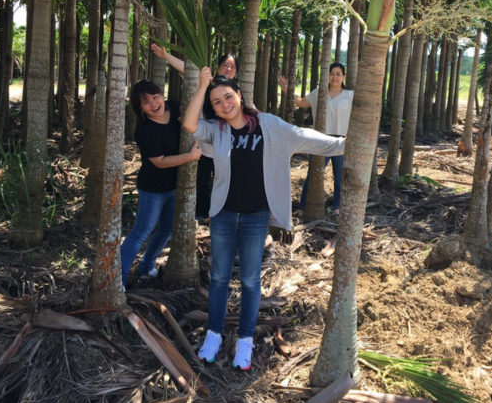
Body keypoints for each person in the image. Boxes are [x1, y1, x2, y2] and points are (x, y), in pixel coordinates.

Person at [184, 68, 344, 370]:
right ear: (214, 108)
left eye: (228, 97)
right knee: (219, 278)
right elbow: (190, 125)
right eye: (217, 102)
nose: (224, 104)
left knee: (249, 280)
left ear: (239, 95)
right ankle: (214, 334)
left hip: (256, 216)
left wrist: (342, 144)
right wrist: (203, 86)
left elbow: (303, 136)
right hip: (223, 215)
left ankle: (245, 339)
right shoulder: (216, 129)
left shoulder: (268, 125)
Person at [120, 80, 201, 288]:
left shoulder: (174, 108)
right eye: (145, 102)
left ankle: (146, 267)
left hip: (175, 186)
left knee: (166, 230)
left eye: (155, 97)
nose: (153, 104)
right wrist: (190, 157)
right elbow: (160, 161)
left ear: (161, 95)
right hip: (152, 189)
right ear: (141, 109)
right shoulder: (145, 130)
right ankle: (117, 280)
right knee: (141, 232)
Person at [151, 44, 239, 219]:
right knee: (201, 182)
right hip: (203, 147)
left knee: (225, 183)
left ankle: (222, 214)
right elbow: (187, 69)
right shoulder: (208, 82)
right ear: (218, 68)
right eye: (225, 65)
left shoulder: (237, 91)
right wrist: (166, 56)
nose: (229, 69)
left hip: (226, 148)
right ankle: (201, 214)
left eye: (233, 66)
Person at [279, 62, 354, 210]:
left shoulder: (350, 95)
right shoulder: (319, 92)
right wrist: (286, 89)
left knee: (340, 176)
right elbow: (301, 103)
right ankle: (304, 207)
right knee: (313, 174)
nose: (334, 77)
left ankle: (337, 208)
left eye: (338, 74)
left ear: (344, 77)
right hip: (320, 138)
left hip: (342, 140)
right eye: (332, 74)